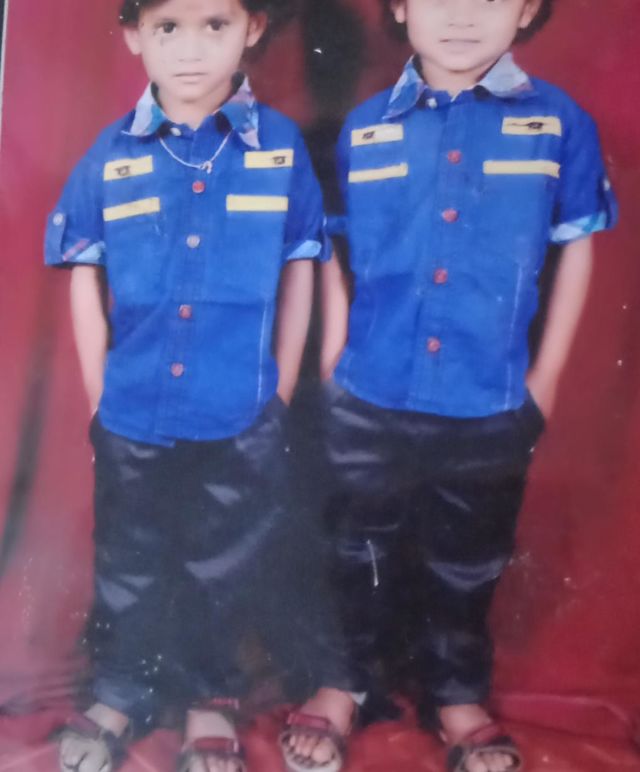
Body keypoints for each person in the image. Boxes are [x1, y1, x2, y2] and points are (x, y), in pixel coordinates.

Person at [44, 1, 355, 770]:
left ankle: (208, 702)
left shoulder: (280, 147)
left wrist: (279, 393)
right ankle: (121, 690)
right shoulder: (109, 154)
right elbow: (84, 276)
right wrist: (100, 395)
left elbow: (302, 268)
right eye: (167, 28)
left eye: (214, 25)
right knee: (131, 562)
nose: (191, 50)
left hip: (240, 412)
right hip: (133, 411)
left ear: (253, 28)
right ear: (132, 36)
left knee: (224, 565)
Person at [320, 1, 617, 770]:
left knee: (467, 561)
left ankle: (456, 696)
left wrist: (545, 379)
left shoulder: (559, 123)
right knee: (355, 549)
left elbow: (577, 249)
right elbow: (331, 254)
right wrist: (331, 365)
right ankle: (342, 681)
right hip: (369, 393)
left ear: (526, 9)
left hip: (489, 401)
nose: (461, 16)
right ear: (399, 6)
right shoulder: (364, 128)